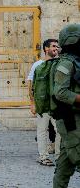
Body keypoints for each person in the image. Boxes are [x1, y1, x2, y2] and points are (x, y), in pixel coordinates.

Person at [52, 24, 80, 188]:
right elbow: (60, 92)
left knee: (64, 164)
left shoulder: (75, 61)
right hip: (70, 120)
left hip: (73, 119)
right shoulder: (66, 63)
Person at [27, 39, 61, 166]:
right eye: (53, 46)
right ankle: (43, 156)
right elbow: (30, 84)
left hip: (56, 104)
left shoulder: (59, 63)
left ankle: (58, 156)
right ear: (46, 49)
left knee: (60, 131)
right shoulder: (37, 65)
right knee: (42, 130)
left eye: (57, 46)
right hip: (42, 103)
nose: (56, 48)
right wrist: (32, 102)